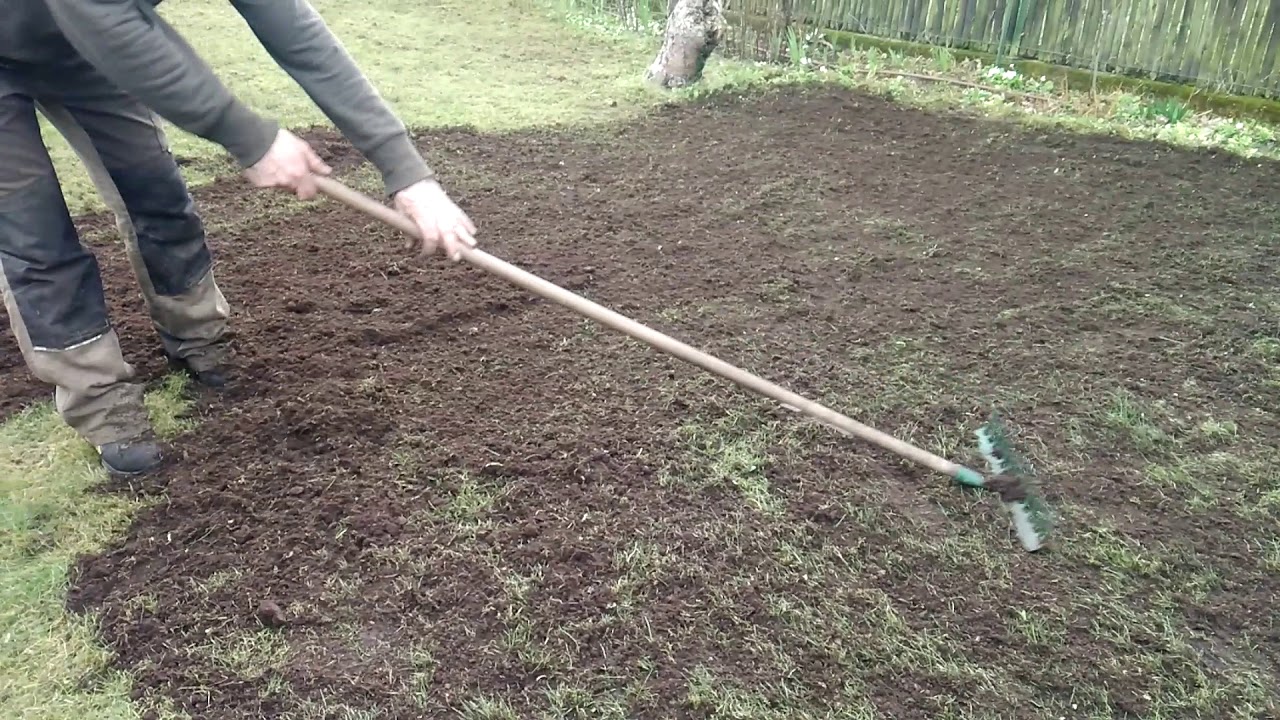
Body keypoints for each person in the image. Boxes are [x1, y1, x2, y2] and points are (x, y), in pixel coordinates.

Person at [0, 0, 477, 476]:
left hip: (85, 52)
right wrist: (249, 136)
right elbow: (102, 17)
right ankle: (103, 405)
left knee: (156, 192)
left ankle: (197, 335)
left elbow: (294, 30)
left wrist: (406, 173)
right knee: (36, 236)